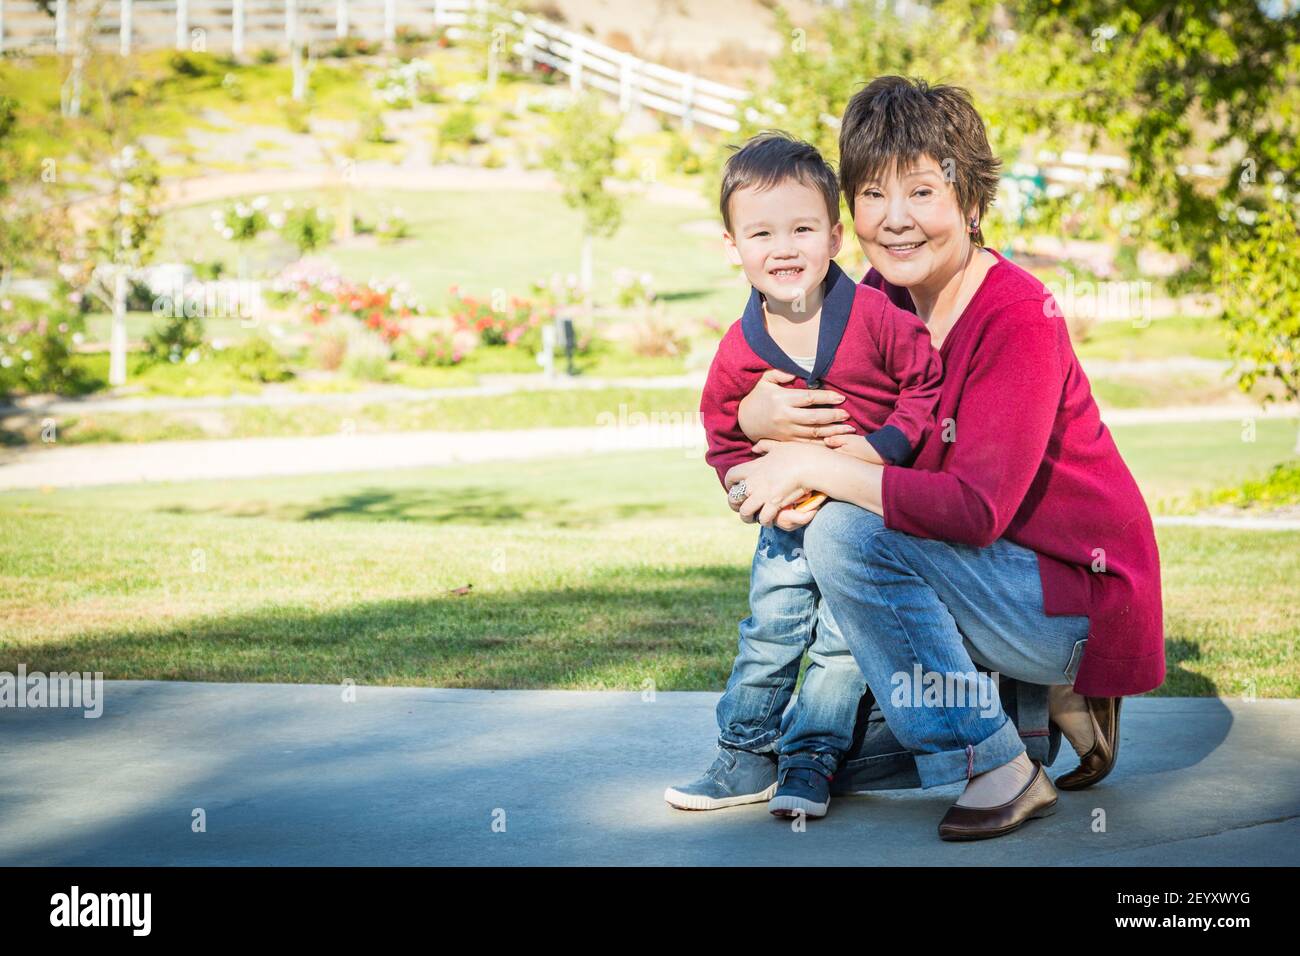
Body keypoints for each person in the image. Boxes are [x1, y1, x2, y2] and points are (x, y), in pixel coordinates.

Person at [723, 76, 1164, 840]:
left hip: (1074, 592)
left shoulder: (1018, 315)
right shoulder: (881, 302)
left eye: (922, 192)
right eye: (870, 194)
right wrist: (750, 416)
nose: (895, 221)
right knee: (830, 759)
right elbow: (835, 434)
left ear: (971, 202)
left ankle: (998, 761)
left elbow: (972, 508)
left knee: (845, 535)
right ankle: (1027, 715)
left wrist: (817, 471)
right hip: (984, 577)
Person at [663, 131, 943, 818]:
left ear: (835, 236)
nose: (783, 248)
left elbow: (927, 390)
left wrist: (878, 450)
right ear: (732, 246)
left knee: (840, 645)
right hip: (788, 523)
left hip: (862, 525)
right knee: (771, 631)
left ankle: (811, 759)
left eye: (802, 229)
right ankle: (744, 753)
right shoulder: (740, 347)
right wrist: (745, 493)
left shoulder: (876, 316)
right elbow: (721, 432)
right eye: (761, 232)